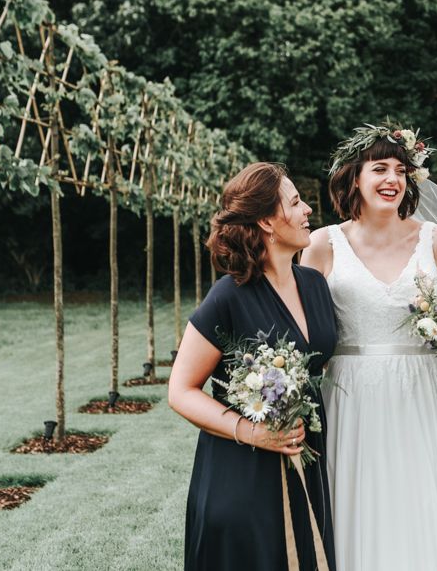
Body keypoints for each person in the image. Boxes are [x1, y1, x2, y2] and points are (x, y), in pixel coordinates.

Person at [301, 123, 437, 570]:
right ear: (354, 177)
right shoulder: (322, 245)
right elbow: (305, 331)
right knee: (363, 501)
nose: (392, 180)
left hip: (424, 392)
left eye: (401, 170)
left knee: (427, 498)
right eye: (379, 168)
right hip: (351, 396)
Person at [168, 162, 337, 571]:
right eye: (295, 203)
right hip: (241, 477)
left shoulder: (314, 284)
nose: (307, 210)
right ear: (266, 221)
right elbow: (180, 390)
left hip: (306, 462)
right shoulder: (229, 295)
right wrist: (252, 432)